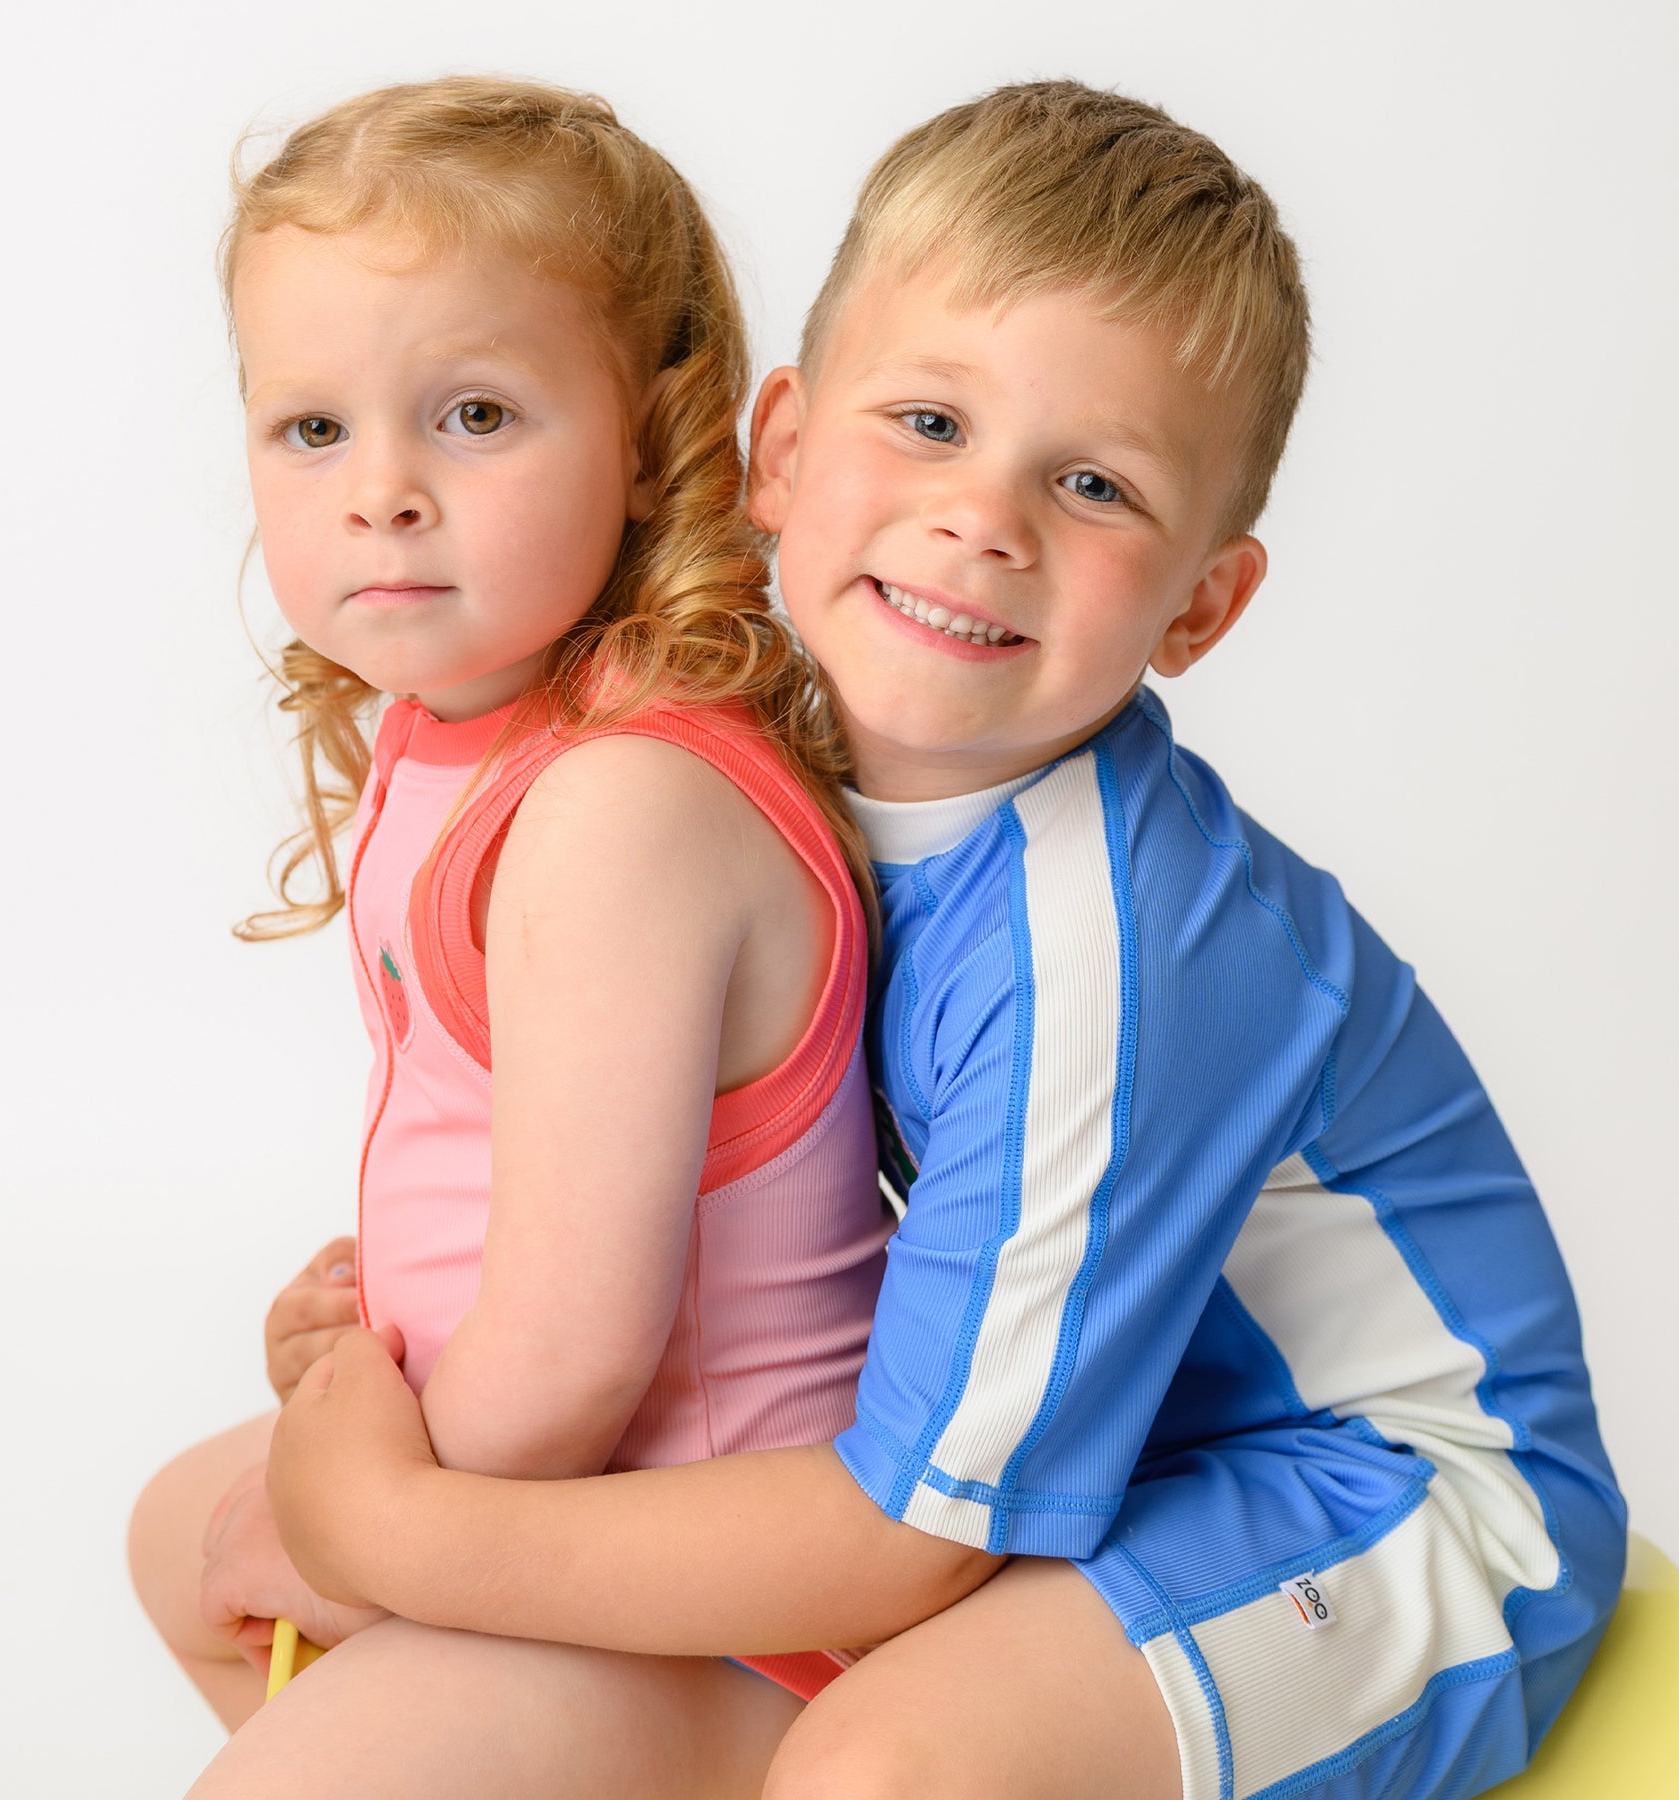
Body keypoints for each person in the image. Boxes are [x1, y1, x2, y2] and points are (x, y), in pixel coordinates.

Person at [253, 80, 1628, 1800]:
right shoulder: (745, 750)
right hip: (1106, 1434)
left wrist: (397, 1532)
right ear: (779, 452)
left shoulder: (1110, 952)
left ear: (1202, 604)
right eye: (927, 422)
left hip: (1389, 1501)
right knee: (215, 1551)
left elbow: (906, 1543)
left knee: (884, 1769)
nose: (985, 520)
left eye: (1094, 483)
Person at [126, 74, 898, 1791]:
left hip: (709, 1598)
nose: (381, 490)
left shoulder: (626, 806)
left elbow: (566, 1363)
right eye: (311, 429)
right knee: (179, 1530)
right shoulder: (459, 729)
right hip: (545, 1510)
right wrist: (374, 1325)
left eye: (474, 415)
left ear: (653, 442)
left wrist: (347, 1544)